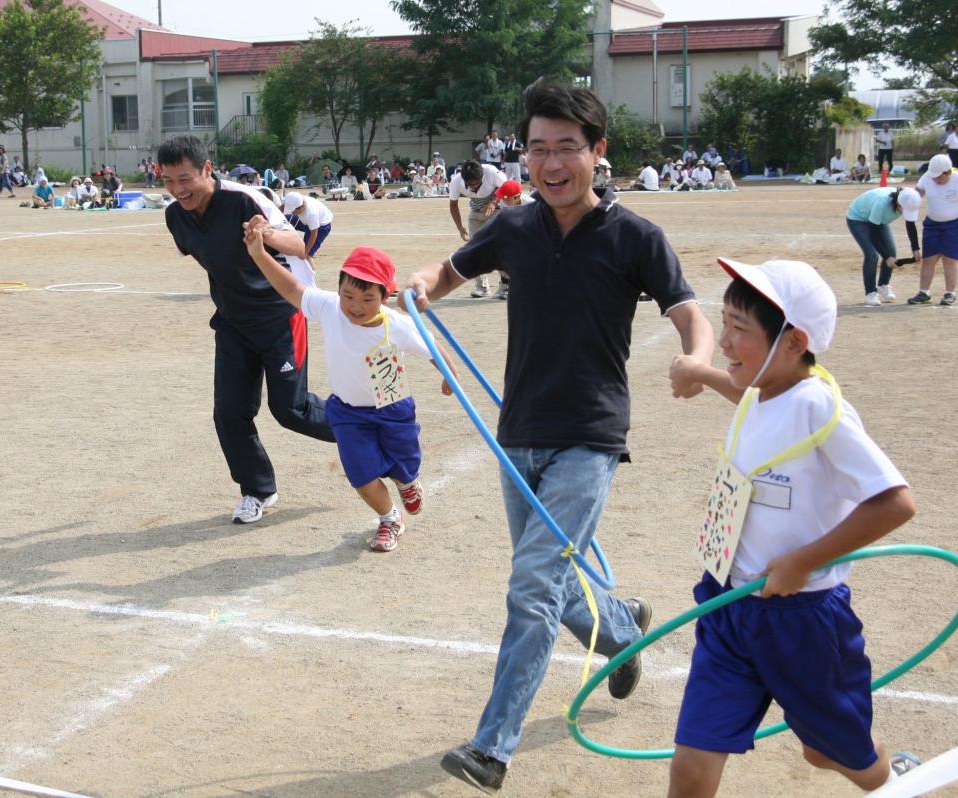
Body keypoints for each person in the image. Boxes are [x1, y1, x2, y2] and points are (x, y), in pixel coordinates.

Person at [404, 79, 714, 795]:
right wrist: (419, 283)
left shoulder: (636, 236)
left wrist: (696, 357)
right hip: (519, 430)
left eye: (565, 148)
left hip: (590, 433)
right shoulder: (513, 227)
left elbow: (687, 309)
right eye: (537, 149)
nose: (550, 162)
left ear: (596, 152)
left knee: (533, 584)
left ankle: (492, 746)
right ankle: (620, 630)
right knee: (547, 576)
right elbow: (447, 273)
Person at [664, 258, 918, 798]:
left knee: (826, 751)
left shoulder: (822, 409)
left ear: (794, 342)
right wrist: (704, 377)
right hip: (729, 605)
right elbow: (754, 400)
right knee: (690, 766)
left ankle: (893, 782)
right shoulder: (766, 390)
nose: (725, 340)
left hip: (802, 621)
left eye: (739, 329)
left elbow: (895, 502)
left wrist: (804, 561)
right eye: (724, 321)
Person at [157, 134, 336, 523]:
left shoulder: (244, 200)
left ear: (207, 169)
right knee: (229, 412)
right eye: (168, 180)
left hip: (279, 317)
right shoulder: (175, 216)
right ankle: (257, 489)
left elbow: (299, 244)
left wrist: (267, 235)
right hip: (233, 323)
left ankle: (365, 427)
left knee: (292, 410)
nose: (177, 189)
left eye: (184, 178)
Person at [243, 230, 458, 549]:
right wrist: (260, 255)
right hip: (347, 412)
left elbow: (433, 348)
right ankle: (389, 519)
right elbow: (292, 288)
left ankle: (406, 480)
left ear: (386, 296)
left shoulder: (396, 324)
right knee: (361, 475)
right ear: (339, 289)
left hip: (393, 408)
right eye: (348, 296)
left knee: (403, 465)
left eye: (367, 299)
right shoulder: (330, 307)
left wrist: (449, 377)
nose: (355, 306)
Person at [909, 153, 958, 306]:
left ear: (948, 172)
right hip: (932, 224)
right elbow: (918, 192)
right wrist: (911, 199)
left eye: (938, 177)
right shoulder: (927, 178)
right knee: (928, 259)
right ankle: (924, 292)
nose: (935, 179)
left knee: (950, 259)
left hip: (956, 224)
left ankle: (949, 293)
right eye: (933, 176)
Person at [846, 187, 923, 306]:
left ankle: (883, 285)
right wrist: (886, 257)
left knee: (892, 251)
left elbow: (910, 225)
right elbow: (873, 233)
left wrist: (915, 248)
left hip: (877, 220)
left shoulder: (908, 199)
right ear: (898, 203)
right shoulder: (882, 203)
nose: (905, 213)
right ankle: (870, 293)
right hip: (858, 218)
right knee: (872, 255)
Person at [447, 159, 506, 297]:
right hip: (476, 213)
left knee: (499, 247)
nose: (473, 186)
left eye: (476, 183)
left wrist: (493, 202)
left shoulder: (491, 171)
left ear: (482, 176)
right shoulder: (456, 181)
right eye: (470, 184)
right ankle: (482, 287)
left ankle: (506, 284)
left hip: (496, 211)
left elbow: (505, 187)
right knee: (475, 248)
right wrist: (460, 227)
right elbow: (453, 205)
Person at [282, 192, 333, 257]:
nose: (292, 212)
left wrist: (305, 253)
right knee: (285, 218)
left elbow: (313, 234)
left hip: (321, 227)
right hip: (305, 221)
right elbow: (283, 207)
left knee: (307, 255)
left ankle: (309, 258)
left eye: (293, 211)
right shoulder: (297, 200)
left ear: (300, 208)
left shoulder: (311, 214)